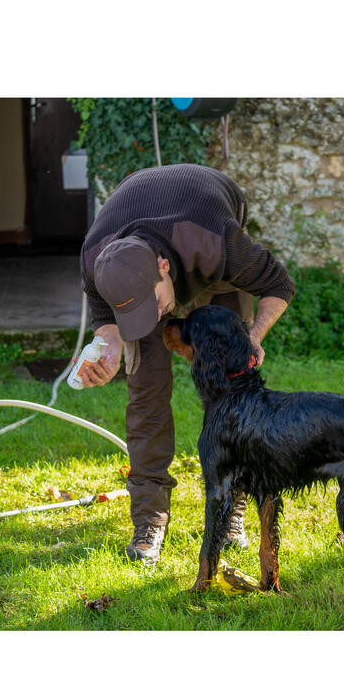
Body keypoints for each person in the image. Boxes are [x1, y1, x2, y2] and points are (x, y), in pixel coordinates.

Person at [78, 163, 295, 561]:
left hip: (207, 237)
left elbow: (280, 284)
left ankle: (233, 510)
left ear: (163, 266)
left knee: (233, 391)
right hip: (143, 259)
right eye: (137, 311)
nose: (156, 319)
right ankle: (149, 521)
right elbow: (108, 327)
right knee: (145, 393)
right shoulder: (101, 263)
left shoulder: (217, 241)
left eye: (153, 304)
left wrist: (253, 335)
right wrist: (105, 352)